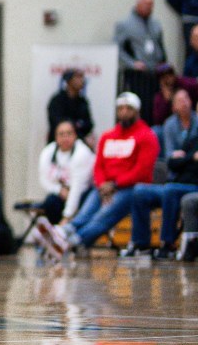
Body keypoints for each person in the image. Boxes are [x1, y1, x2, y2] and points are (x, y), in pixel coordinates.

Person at [34, 92, 160, 259]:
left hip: (130, 188)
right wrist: (101, 184)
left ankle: (73, 241)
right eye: (120, 108)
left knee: (103, 216)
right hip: (103, 186)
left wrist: (115, 185)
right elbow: (98, 165)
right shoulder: (108, 136)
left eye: (128, 108)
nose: (123, 112)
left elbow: (142, 171)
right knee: (85, 213)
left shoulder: (147, 136)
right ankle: (64, 232)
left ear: (137, 111)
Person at [127, 90, 198, 259]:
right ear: (173, 107)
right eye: (179, 100)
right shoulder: (191, 137)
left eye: (186, 99)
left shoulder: (193, 130)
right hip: (177, 181)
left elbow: (180, 160)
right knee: (139, 191)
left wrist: (184, 159)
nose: (184, 104)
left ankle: (167, 243)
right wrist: (191, 158)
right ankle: (141, 243)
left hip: (189, 185)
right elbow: (172, 162)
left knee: (170, 191)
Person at [114, 0, 167, 115]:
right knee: (140, 107)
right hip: (137, 76)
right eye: (146, 4)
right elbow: (117, 49)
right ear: (138, 4)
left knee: (155, 107)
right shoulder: (125, 25)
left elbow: (160, 46)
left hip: (155, 73)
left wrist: (163, 64)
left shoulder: (156, 24)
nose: (149, 7)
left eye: (151, 4)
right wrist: (132, 64)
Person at [35, 120, 95, 225]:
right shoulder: (48, 152)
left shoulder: (82, 153)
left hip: (83, 192)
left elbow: (77, 188)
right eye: (61, 134)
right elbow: (43, 179)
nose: (65, 138)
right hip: (62, 191)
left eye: (69, 133)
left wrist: (66, 217)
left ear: (75, 135)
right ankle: (55, 234)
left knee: (82, 203)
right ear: (56, 137)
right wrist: (59, 190)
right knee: (50, 202)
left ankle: (69, 233)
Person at [46, 68, 94, 144]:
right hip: (58, 143)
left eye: (82, 77)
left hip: (78, 144)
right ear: (69, 81)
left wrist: (77, 126)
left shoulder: (83, 101)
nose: (82, 81)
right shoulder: (57, 100)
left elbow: (89, 125)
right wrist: (76, 125)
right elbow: (57, 122)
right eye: (78, 77)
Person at [151, 63, 198, 127]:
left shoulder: (185, 84)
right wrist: (166, 101)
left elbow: (195, 84)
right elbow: (158, 121)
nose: (168, 79)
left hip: (191, 118)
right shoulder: (159, 97)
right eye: (164, 77)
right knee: (156, 130)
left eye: (170, 75)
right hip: (172, 125)